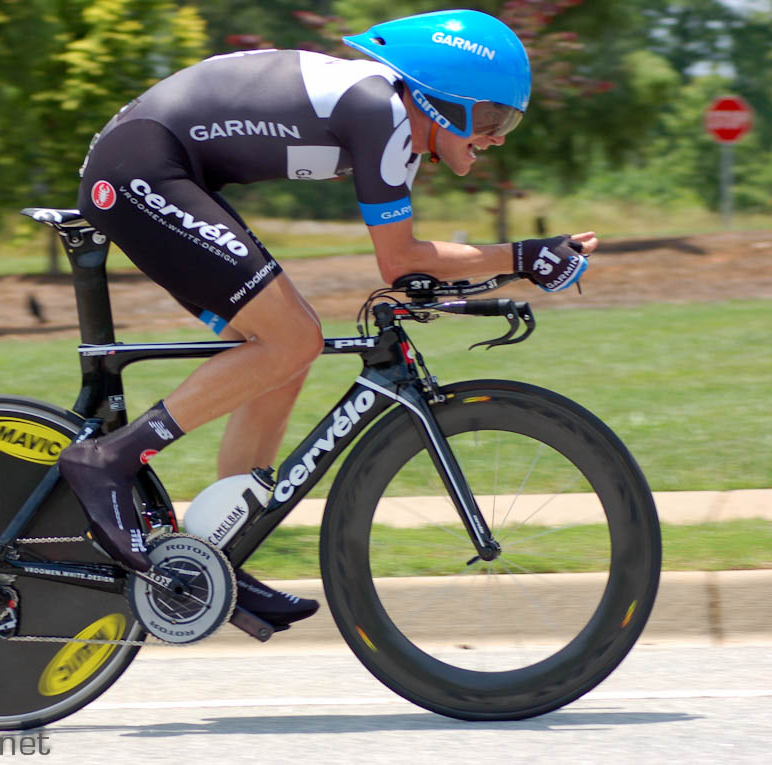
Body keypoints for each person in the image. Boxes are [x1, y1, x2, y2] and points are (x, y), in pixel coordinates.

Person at [59, 9, 596, 631]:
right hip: (139, 168)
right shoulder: (383, 112)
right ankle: (111, 460)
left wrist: (512, 265)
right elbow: (401, 260)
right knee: (291, 339)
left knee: (281, 354)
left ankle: (218, 552)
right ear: (443, 100)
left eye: (511, 123)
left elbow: (406, 264)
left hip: (160, 165)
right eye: (494, 118)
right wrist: (525, 257)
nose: (500, 136)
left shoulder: (395, 124)